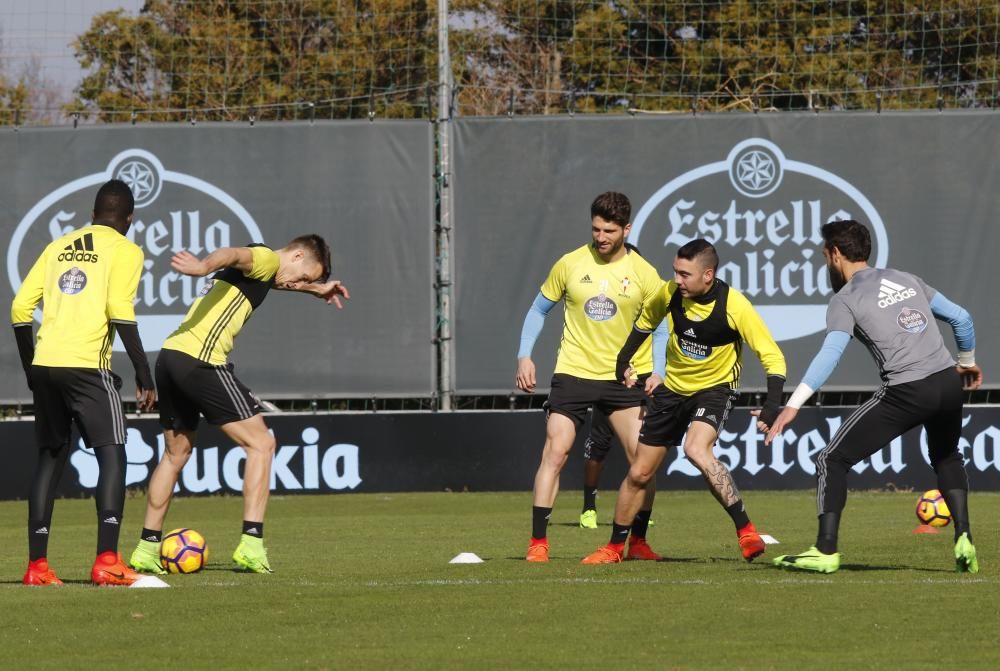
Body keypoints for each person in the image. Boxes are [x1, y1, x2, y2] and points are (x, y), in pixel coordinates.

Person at [767, 219, 983, 574]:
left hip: (908, 389)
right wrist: (967, 363)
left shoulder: (846, 298)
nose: (827, 264)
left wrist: (792, 405)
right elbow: (962, 318)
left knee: (831, 460)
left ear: (836, 254)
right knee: (946, 456)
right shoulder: (906, 278)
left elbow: (830, 354)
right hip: (947, 382)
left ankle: (825, 550)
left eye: (825, 256)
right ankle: (964, 537)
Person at [127, 236, 349, 575]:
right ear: (298, 254)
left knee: (175, 455)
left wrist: (313, 289)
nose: (300, 283)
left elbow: (273, 278)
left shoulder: (264, 271)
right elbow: (232, 254)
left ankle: (146, 548)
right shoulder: (264, 258)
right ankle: (251, 544)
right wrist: (202, 266)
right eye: (305, 276)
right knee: (262, 444)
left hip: (170, 356)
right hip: (201, 361)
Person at [581, 238, 785, 564]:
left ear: (708, 275)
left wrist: (773, 405)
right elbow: (645, 323)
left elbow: (772, 357)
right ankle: (621, 547)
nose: (677, 279)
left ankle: (746, 531)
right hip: (673, 389)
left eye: (685, 274)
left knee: (695, 449)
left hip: (715, 389)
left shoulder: (735, 306)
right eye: (675, 271)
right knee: (639, 474)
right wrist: (623, 361)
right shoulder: (670, 293)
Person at [11, 179, 157, 586]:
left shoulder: (57, 246)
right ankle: (107, 560)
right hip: (88, 368)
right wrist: (144, 373)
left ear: (92, 215)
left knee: (50, 457)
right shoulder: (127, 250)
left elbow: (20, 307)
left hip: (45, 364)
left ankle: (37, 567)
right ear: (128, 219)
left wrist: (31, 369)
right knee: (113, 453)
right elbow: (118, 308)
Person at [516, 192, 666, 563]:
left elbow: (660, 328)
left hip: (624, 380)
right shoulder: (570, 263)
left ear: (626, 229)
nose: (601, 236)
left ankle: (639, 542)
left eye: (609, 230)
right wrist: (524, 355)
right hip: (574, 372)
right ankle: (538, 543)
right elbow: (538, 310)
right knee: (556, 450)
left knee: (642, 462)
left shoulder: (645, 274)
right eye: (596, 228)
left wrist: (658, 369)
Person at [579, 243, 662, 530]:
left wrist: (658, 372)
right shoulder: (611, 301)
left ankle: (641, 516)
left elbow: (663, 333)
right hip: (612, 378)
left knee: (643, 450)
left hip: (643, 378)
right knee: (598, 446)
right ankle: (588, 507)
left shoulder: (651, 296)